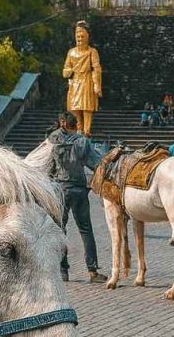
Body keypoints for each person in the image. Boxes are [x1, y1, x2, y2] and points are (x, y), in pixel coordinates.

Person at [46, 112, 107, 283]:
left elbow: (47, 165)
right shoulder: (82, 141)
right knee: (86, 230)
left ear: (62, 123)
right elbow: (95, 163)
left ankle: (62, 270)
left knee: (60, 230)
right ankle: (93, 270)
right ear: (75, 125)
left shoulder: (52, 140)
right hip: (79, 189)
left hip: (60, 189)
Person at [63, 21, 103, 136]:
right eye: (78, 37)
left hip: (87, 80)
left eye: (82, 36)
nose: (80, 39)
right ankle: (79, 130)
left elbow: (96, 68)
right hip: (75, 82)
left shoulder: (92, 52)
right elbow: (65, 69)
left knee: (87, 107)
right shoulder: (71, 52)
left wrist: (97, 85)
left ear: (87, 37)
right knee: (75, 107)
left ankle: (87, 131)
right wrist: (68, 71)